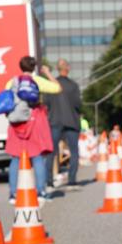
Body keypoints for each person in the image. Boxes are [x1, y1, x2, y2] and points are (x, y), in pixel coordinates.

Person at [5, 56, 60, 205]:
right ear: (34, 67)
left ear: (20, 67)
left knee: (15, 158)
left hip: (16, 122)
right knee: (37, 157)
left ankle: (13, 194)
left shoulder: (12, 82)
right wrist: (47, 73)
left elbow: (7, 99)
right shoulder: (37, 81)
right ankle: (41, 192)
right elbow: (57, 88)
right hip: (34, 120)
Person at [45, 59, 82, 191]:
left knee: (51, 152)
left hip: (55, 121)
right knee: (74, 152)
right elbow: (78, 104)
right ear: (68, 68)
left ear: (57, 69)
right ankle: (72, 181)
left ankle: (49, 182)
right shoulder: (73, 86)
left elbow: (46, 104)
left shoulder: (51, 85)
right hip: (72, 121)